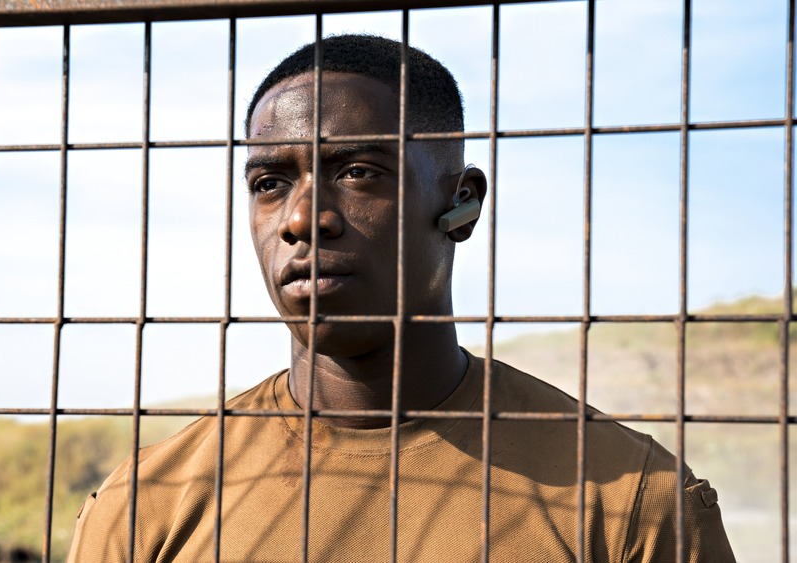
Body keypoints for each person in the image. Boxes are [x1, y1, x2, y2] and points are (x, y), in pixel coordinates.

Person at [66, 34, 734, 562]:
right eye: (270, 182)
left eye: (358, 172)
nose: (302, 218)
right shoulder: (145, 504)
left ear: (461, 201)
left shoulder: (630, 498)